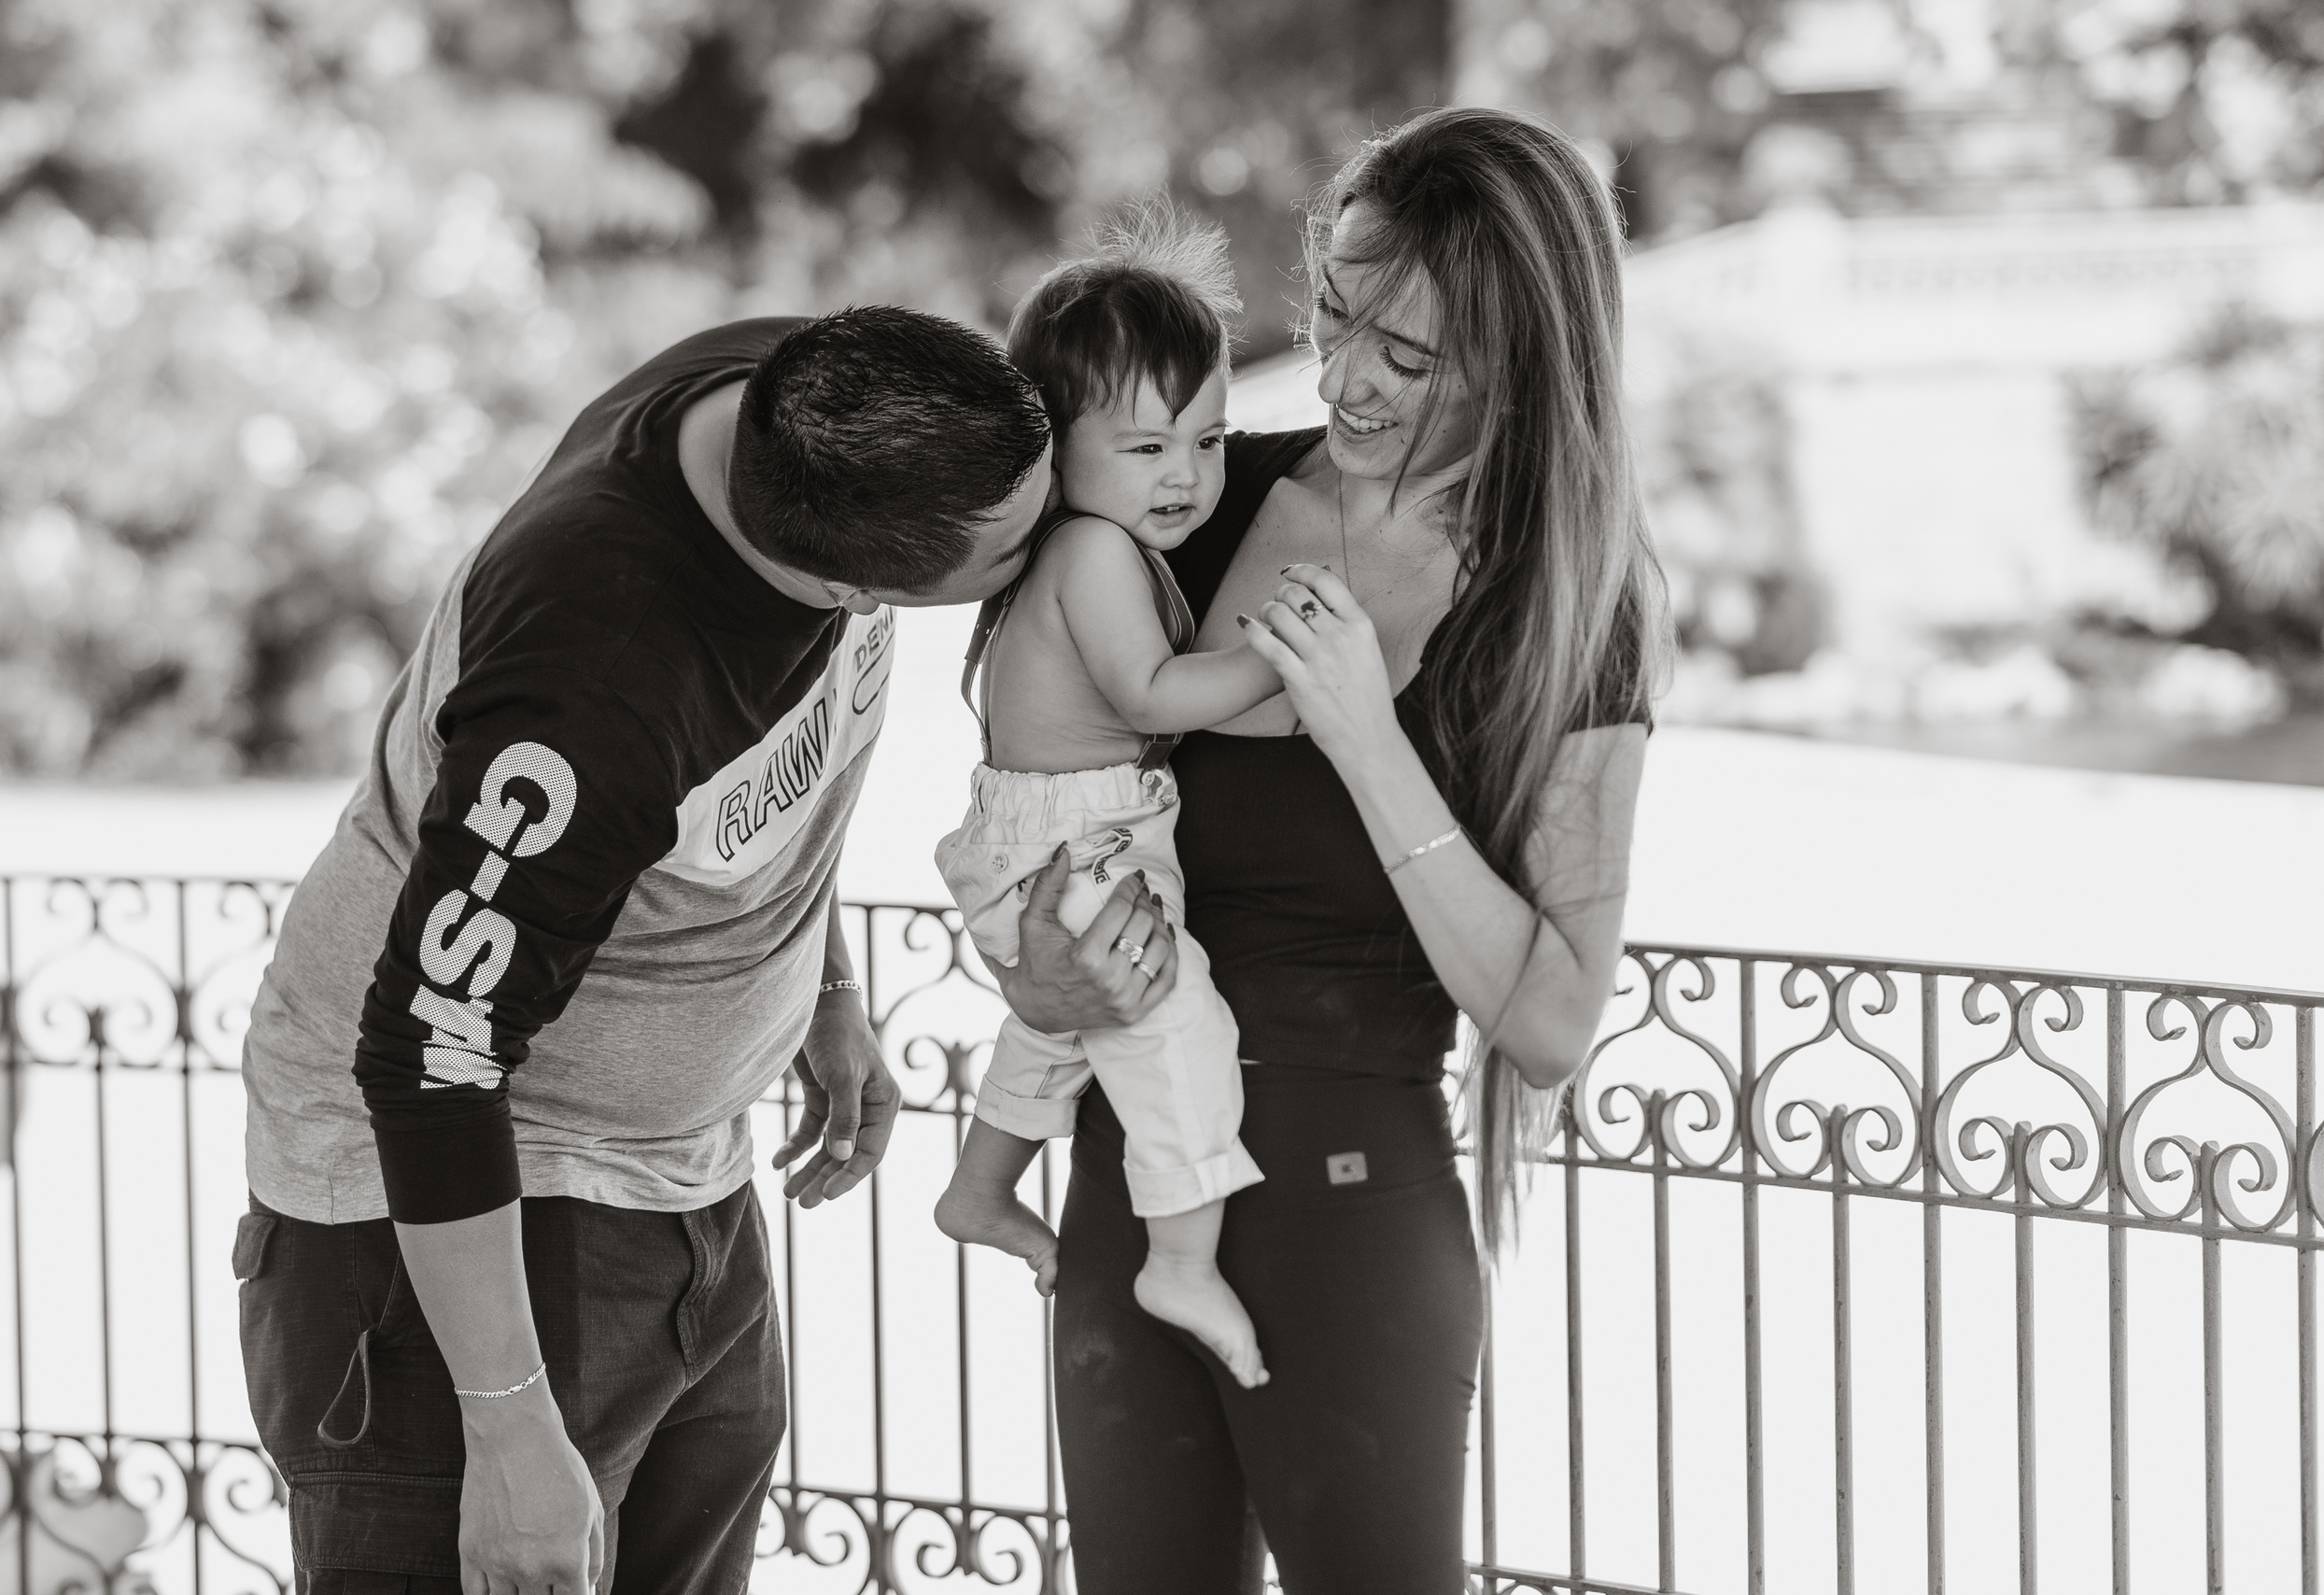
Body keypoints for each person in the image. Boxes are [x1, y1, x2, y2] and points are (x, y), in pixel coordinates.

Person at [234, 307, 1178, 1595]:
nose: (1050, 545)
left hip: (685, 1188)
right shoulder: (596, 689)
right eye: (1011, 547)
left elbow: (775, 765)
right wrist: (508, 1429)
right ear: (857, 586)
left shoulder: (809, 401)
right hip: (458, 1228)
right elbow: (429, 1056)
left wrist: (821, 991)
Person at [1049, 105, 1672, 1593]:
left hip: (1349, 1212)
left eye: (1411, 354)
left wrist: (1363, 734)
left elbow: (1550, 1021)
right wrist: (1044, 962)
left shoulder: (1568, 608)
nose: (1347, 381)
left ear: (1525, 357)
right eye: (1336, 318)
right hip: (1128, 1177)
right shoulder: (1197, 505)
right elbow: (1040, 789)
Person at [930, 207, 1279, 1389]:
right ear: (1053, 446)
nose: (1186, 474)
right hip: (1079, 839)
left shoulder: (1080, 550)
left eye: (1210, 438)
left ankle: (979, 1189)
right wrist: (1284, 652)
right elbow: (1156, 691)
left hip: (1054, 834)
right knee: (1173, 1015)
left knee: (1067, 1018)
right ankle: (1181, 1255)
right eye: (1145, 448)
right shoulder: (1092, 555)